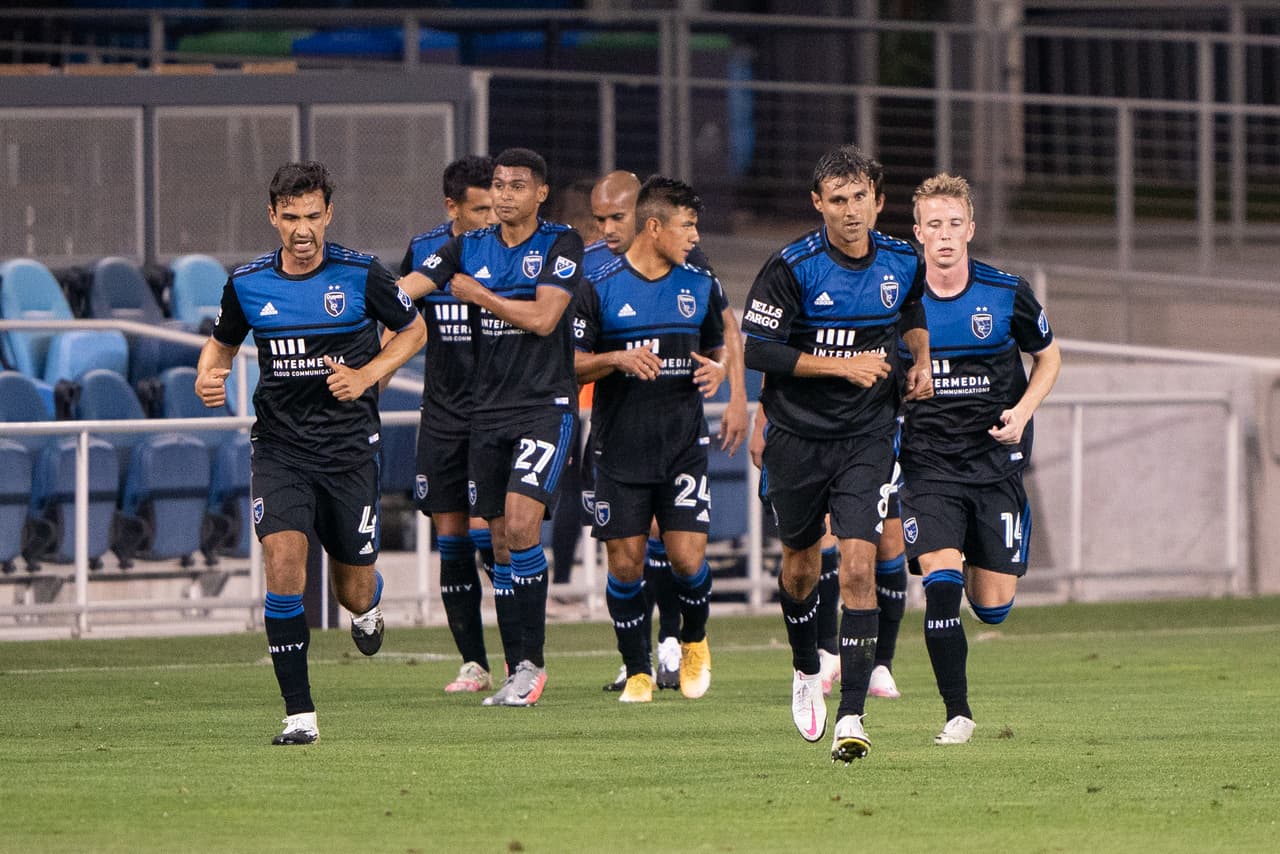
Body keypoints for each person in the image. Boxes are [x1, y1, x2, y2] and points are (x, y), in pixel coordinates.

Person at [195, 161, 427, 745]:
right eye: (291, 217)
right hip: (280, 450)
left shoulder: (361, 273)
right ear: (272, 217)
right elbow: (220, 346)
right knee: (283, 568)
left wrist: (367, 375)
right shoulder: (247, 283)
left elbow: (414, 330)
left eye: (313, 216)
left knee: (352, 589)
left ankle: (370, 602)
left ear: (329, 215)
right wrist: (207, 375)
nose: (303, 229)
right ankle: (300, 715)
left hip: (349, 451)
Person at [741, 144, 932, 764]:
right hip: (797, 437)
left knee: (857, 569)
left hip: (868, 436)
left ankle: (852, 714)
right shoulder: (791, 267)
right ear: (818, 204)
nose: (851, 211)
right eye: (838, 200)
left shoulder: (902, 259)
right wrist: (841, 365)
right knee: (800, 567)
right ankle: (805, 667)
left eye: (861, 198)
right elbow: (757, 351)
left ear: (878, 201)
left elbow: (911, 309)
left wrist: (922, 359)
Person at [399, 147, 584, 707]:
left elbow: (545, 317)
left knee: (523, 528)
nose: (504, 195)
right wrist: (354, 299)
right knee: (500, 542)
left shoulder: (560, 243)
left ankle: (531, 665)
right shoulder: (468, 245)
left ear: (541, 193)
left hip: (544, 407)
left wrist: (480, 296)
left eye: (516, 186)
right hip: (486, 414)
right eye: (499, 185)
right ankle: (512, 664)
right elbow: (410, 287)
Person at [899, 172, 1061, 745]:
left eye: (954, 223)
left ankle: (981, 547)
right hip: (928, 466)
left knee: (992, 607)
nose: (944, 235)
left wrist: (1021, 412)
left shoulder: (1005, 292)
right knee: (941, 587)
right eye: (933, 225)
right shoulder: (899, 301)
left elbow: (1048, 357)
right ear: (918, 232)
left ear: (971, 228)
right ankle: (957, 714)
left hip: (995, 465)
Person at [586, 170, 749, 692]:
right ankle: (637, 669)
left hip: (681, 444)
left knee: (686, 557)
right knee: (625, 564)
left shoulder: (697, 279)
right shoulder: (598, 282)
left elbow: (721, 337)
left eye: (616, 216)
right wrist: (616, 358)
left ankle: (689, 639)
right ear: (655, 226)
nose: (696, 236)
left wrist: (723, 374)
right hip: (619, 445)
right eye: (688, 226)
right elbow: (567, 362)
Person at [393, 154, 503, 694]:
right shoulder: (423, 252)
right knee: (453, 540)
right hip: (441, 416)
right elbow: (395, 316)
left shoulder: (510, 252)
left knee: (489, 536)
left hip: (495, 415)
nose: (491, 219)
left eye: (495, 207)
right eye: (480, 209)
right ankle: (474, 664)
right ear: (451, 207)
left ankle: (522, 653)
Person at [747, 408, 909, 701]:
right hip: (815, 428)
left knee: (888, 543)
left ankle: (881, 662)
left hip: (874, 428)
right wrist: (761, 421)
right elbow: (772, 379)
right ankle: (827, 650)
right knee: (820, 538)